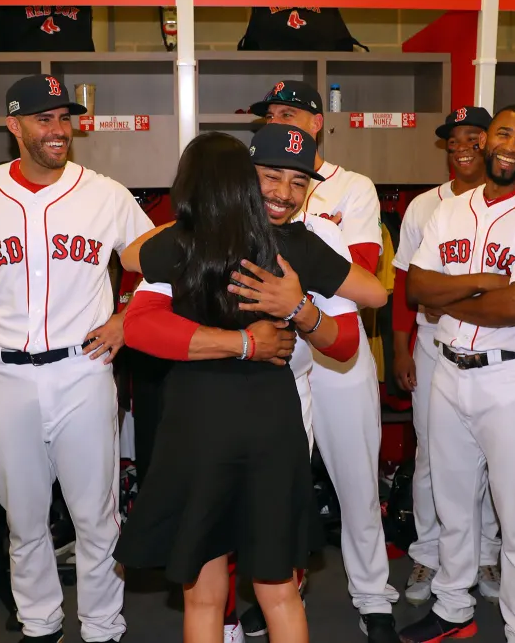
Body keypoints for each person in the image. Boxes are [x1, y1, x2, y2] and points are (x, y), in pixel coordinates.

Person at [120, 124, 392, 643]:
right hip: (269, 417)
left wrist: (297, 307)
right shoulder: (293, 244)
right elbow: (377, 294)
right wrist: (260, 331)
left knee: (204, 595)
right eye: (270, 177)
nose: (283, 193)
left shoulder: (187, 241)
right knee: (279, 591)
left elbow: (131, 258)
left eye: (297, 182)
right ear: (246, 176)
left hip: (200, 419)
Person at [0, 74, 153, 643]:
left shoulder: (105, 193)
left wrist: (124, 319)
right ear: (14, 126)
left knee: (96, 515)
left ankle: (103, 625)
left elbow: (153, 265)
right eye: (44, 118)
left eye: (64, 117)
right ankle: (39, 622)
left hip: (83, 369)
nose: (58, 129)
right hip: (6, 373)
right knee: (24, 517)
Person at [401, 105, 515, 643]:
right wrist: (479, 283)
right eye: (504, 133)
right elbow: (415, 289)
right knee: (452, 505)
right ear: (485, 141)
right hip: (447, 372)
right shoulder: (449, 210)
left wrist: (449, 301)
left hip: (511, 378)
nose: (511, 145)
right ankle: (454, 608)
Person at [240, 80, 399, 639]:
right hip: (276, 351)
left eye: (290, 113)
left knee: (357, 478)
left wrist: (289, 271)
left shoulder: (351, 186)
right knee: (280, 481)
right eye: (270, 115)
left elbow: (359, 269)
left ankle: (373, 594)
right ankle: (279, 587)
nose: (279, 121)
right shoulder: (253, 183)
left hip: (339, 342)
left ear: (316, 124)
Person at [391, 107, 502, 605]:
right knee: (432, 456)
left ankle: (485, 553)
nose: (462, 146)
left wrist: (444, 294)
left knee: (492, 459)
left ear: (492, 143)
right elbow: (405, 286)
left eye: (474, 136)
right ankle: (429, 553)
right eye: (453, 138)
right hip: (433, 345)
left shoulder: (513, 206)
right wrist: (400, 348)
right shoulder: (424, 206)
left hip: (497, 348)